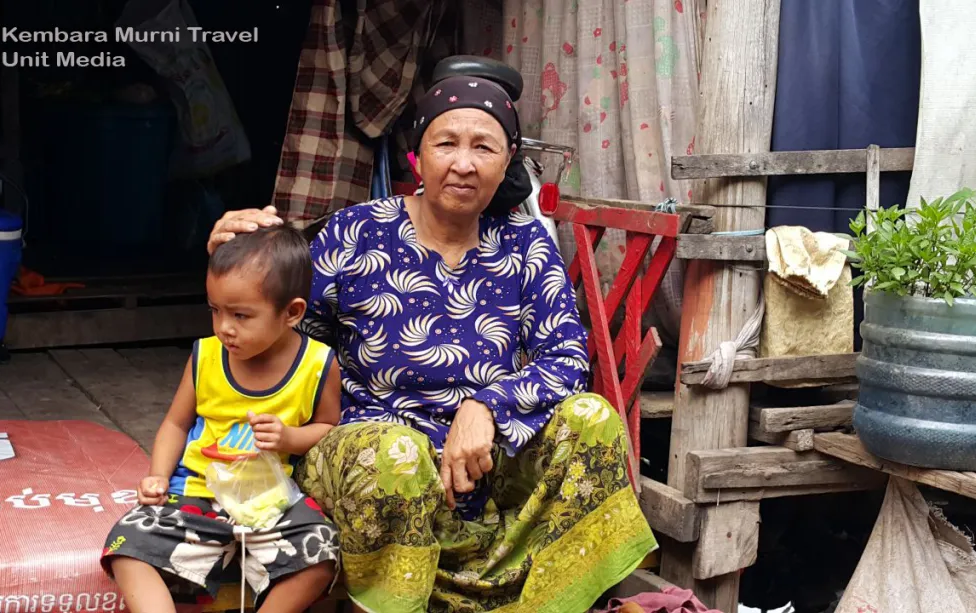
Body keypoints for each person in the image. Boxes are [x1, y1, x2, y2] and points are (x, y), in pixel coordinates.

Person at [209, 74, 657, 613]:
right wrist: (235, 267)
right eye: (446, 143)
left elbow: (565, 359)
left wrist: (485, 405)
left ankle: (544, 601)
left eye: (483, 146)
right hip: (375, 460)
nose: (464, 163)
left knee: (592, 417)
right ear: (418, 156)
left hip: (484, 461)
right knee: (393, 455)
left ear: (508, 159)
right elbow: (279, 339)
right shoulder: (356, 234)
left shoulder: (523, 241)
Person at [101, 227, 341, 613]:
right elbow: (176, 424)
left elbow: (328, 428)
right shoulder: (206, 356)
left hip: (271, 503)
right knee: (126, 544)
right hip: (196, 493)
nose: (224, 327)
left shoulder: (318, 365)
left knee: (323, 552)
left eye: (241, 315)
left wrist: (289, 437)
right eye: (215, 310)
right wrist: (158, 475)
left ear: (292, 312)